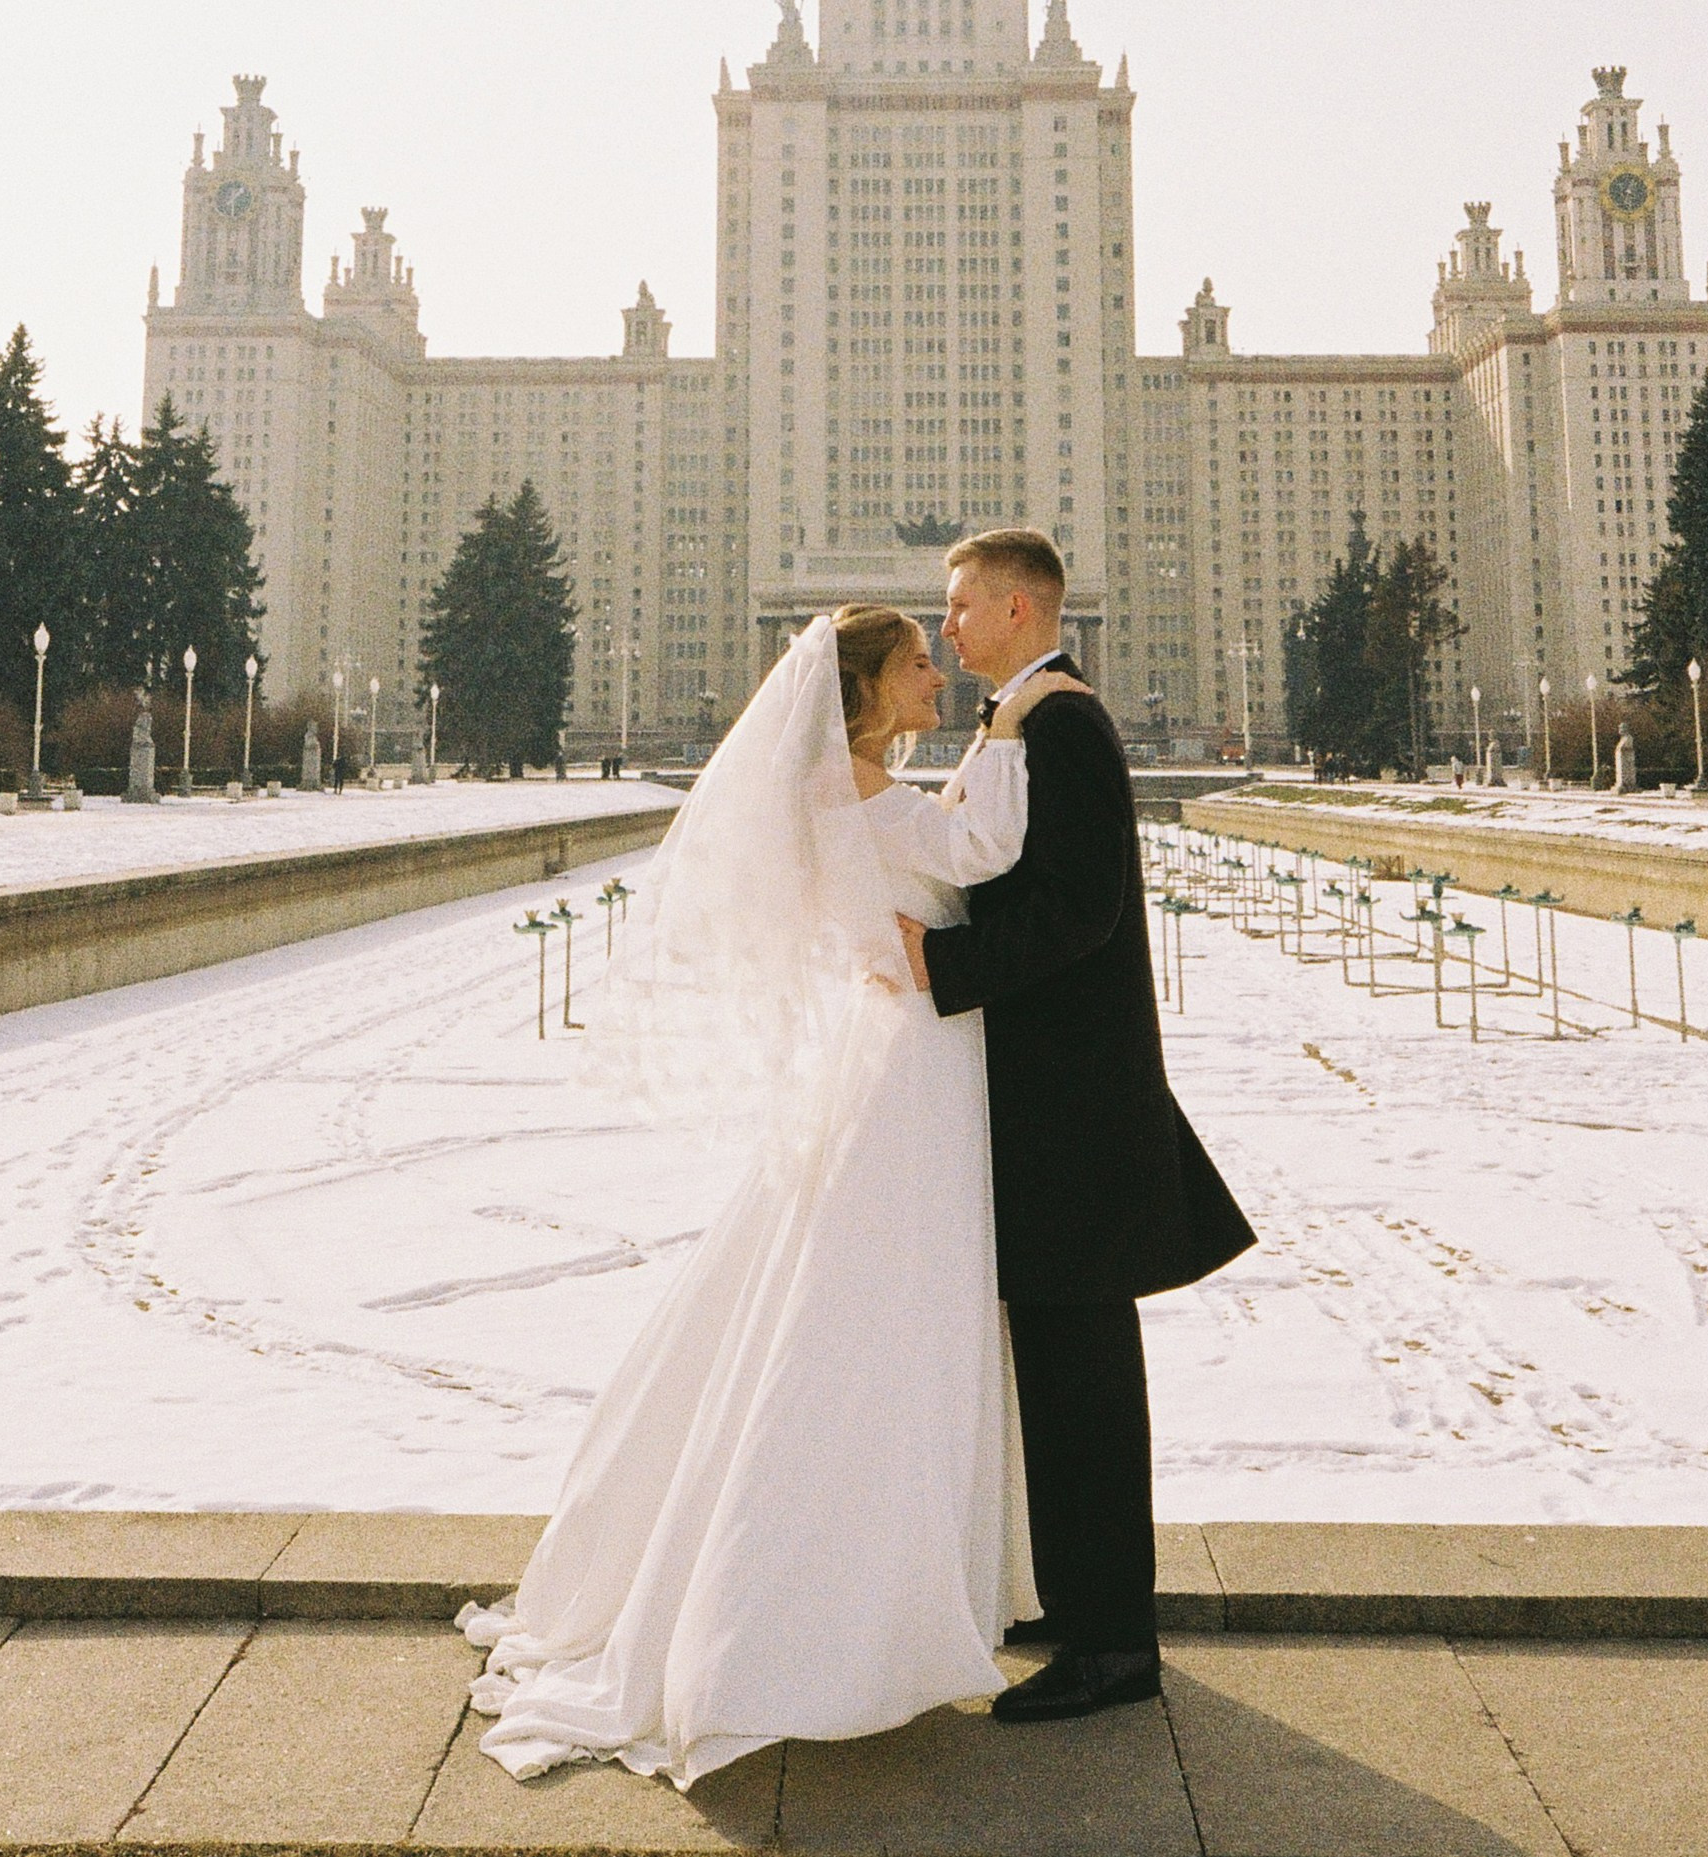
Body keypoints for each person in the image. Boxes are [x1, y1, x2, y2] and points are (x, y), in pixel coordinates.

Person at [462, 604, 1042, 1788]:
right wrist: (1014, 730)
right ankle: (814, 1611)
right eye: (915, 664)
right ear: (868, 693)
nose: (936, 672)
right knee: (887, 1310)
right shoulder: (869, 798)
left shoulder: (853, 793)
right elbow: (983, 853)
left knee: (858, 1297)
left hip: (897, 1057)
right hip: (914, 1067)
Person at [898, 527, 1254, 1725]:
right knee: (1057, 1369)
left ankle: (1114, 1642)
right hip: (1050, 1106)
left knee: (1087, 1380)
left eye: (956, 606)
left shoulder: (1062, 724)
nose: (945, 626)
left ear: (1012, 606)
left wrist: (941, 962)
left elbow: (1078, 910)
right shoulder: (1025, 718)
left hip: (1077, 1113)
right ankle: (1083, 1599)